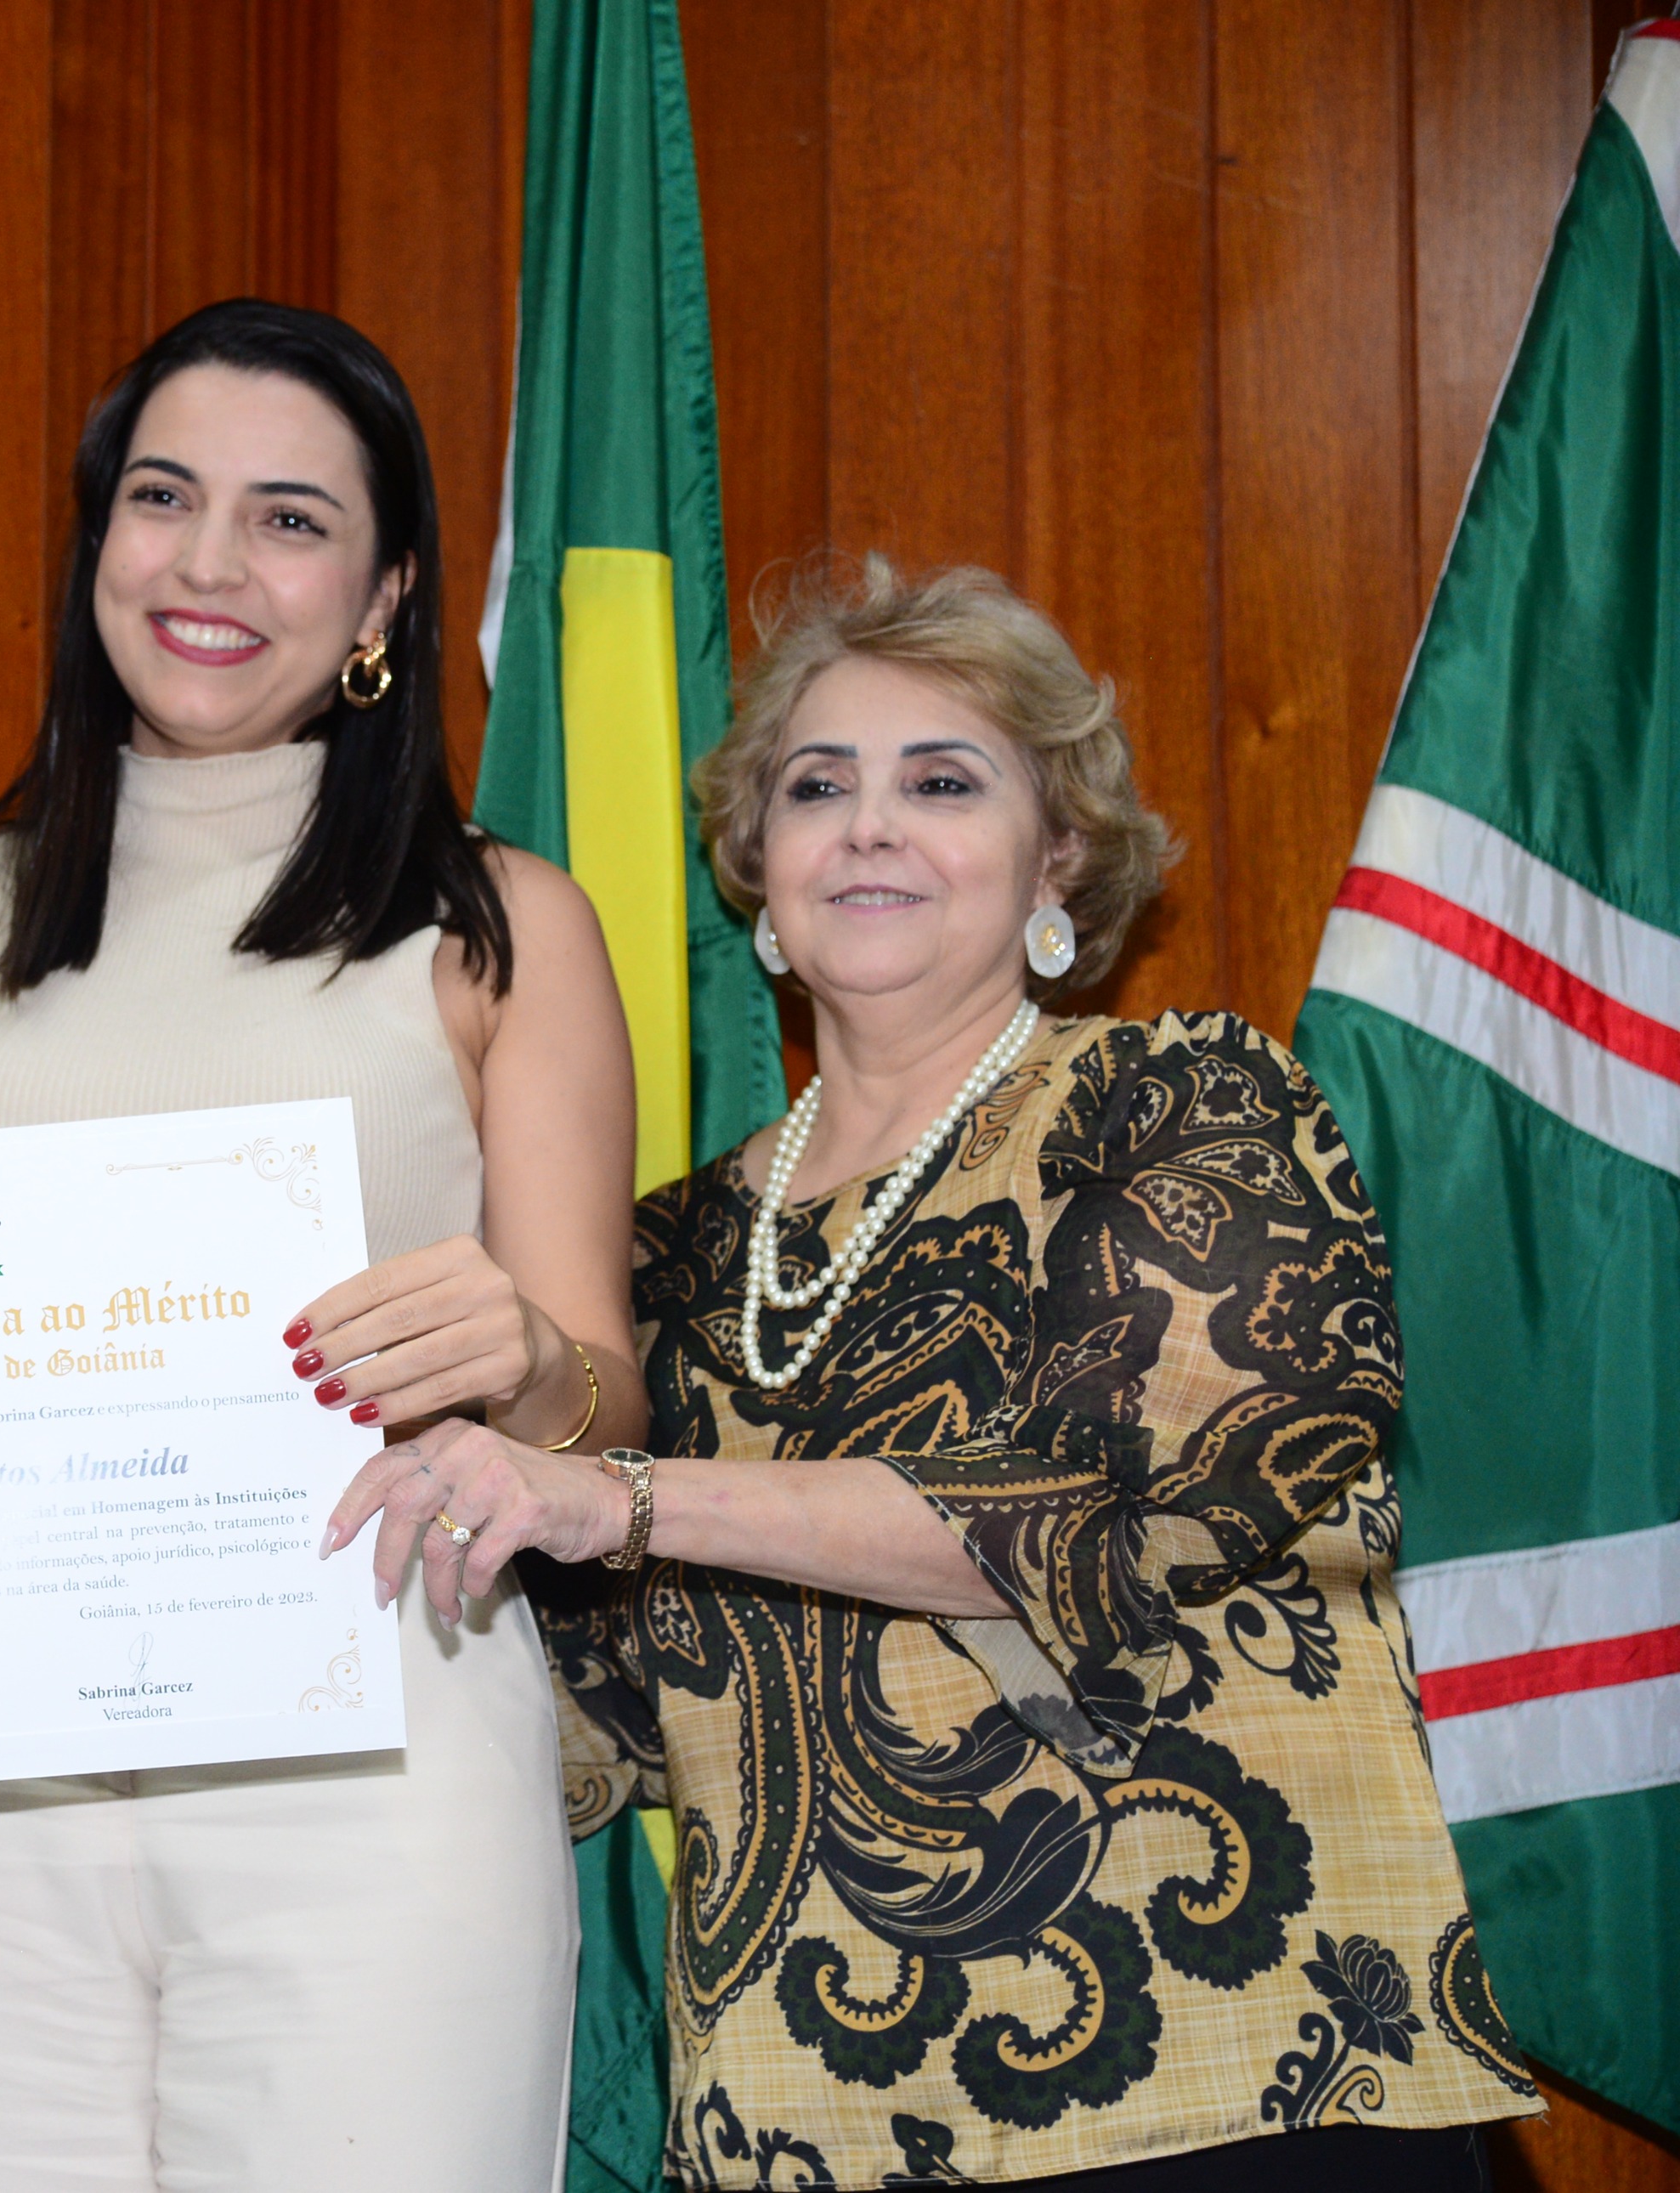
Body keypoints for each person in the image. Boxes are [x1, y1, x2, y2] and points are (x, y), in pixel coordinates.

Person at [329, 558, 1545, 2189]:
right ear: (760, 872)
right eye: (817, 785)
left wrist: (617, 1494)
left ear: (1061, 858)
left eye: (944, 781)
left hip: (1241, 2077)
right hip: (815, 2121)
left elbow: (1094, 1516)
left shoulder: (1183, 1104)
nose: (870, 827)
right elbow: (588, 1728)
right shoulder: (661, 1268)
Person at [0, 297, 642, 2188]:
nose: (208, 562)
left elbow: (605, 1404)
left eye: (289, 519)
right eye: (164, 497)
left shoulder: (498, 923)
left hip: (370, 1736)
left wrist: (523, 1361)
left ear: (383, 597)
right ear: (99, 540)